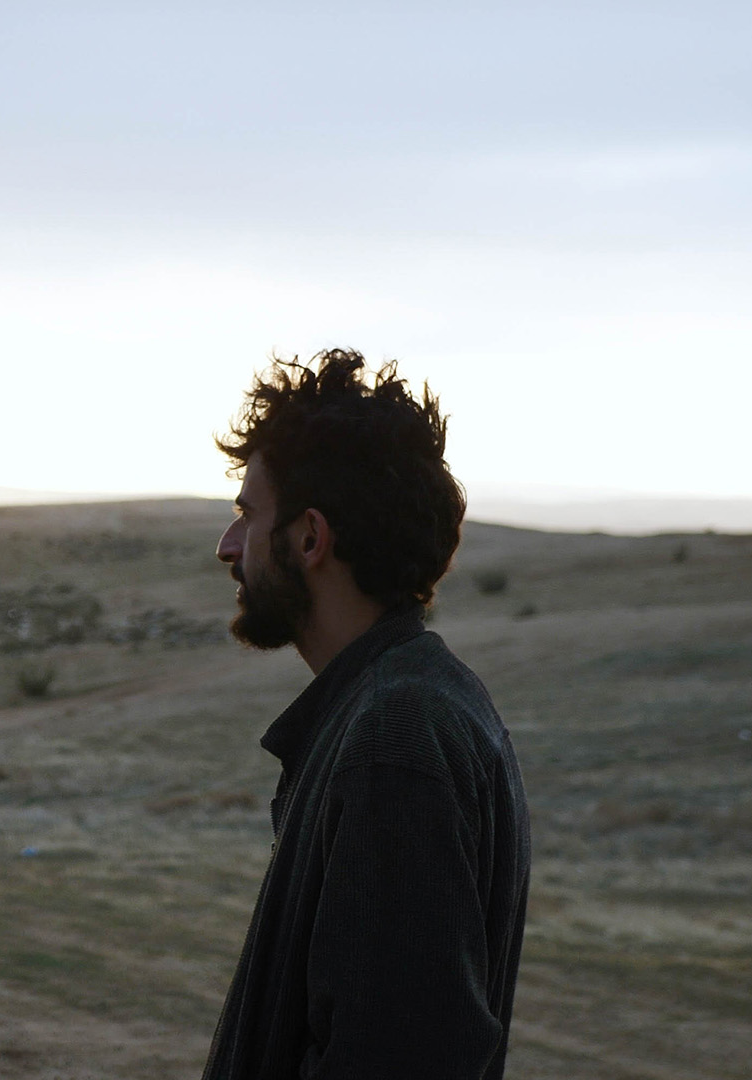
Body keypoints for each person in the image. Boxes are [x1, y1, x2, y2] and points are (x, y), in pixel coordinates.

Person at [201, 350, 531, 1080]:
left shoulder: (397, 738)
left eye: (248, 517)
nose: (227, 546)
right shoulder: (406, 706)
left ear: (310, 539)